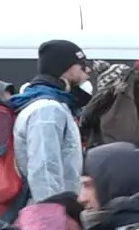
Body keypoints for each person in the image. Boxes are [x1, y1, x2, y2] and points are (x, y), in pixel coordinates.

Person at [11, 39, 91, 204]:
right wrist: (54, 215)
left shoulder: (55, 105)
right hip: (51, 213)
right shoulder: (47, 110)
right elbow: (45, 170)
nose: (87, 70)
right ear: (65, 68)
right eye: (82, 65)